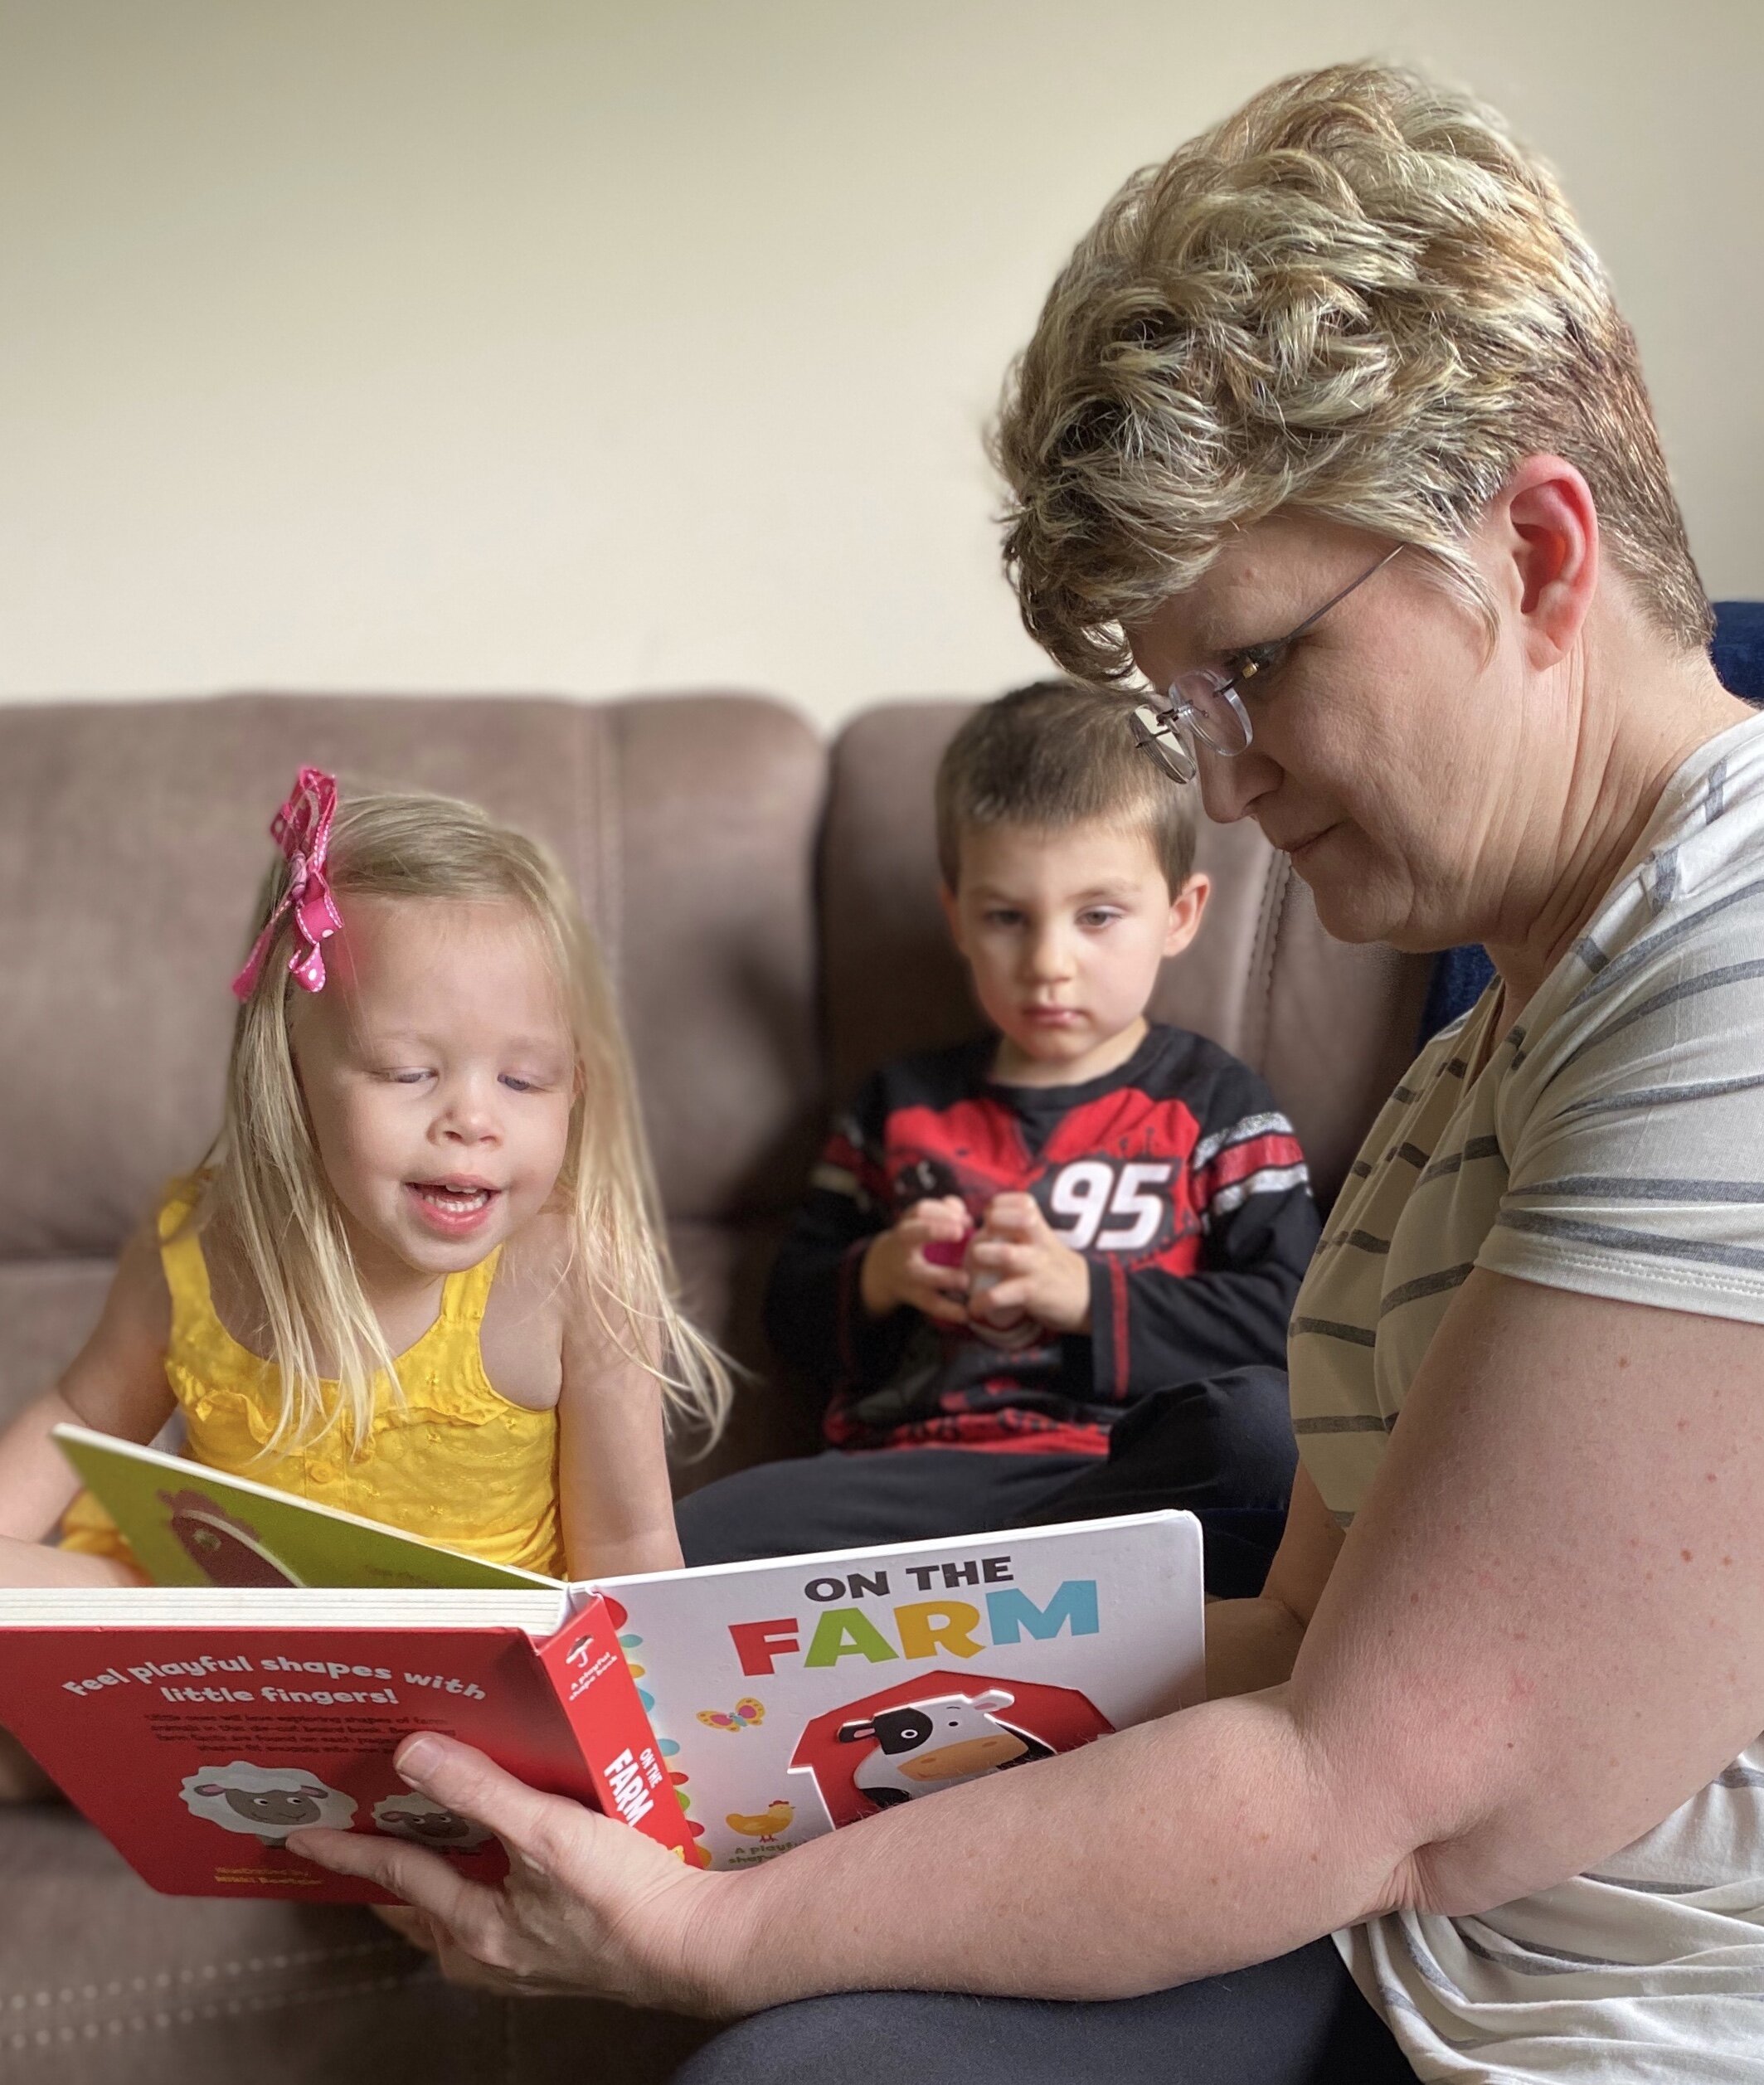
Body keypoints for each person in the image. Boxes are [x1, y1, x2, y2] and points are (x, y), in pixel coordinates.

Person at [293, 63, 1764, 2085]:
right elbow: (1278, 1643)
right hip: (1409, 1952)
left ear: (1526, 549)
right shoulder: (1467, 1069)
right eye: (1183, 705)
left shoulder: (1733, 968)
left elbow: (1378, 1783)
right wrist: (740, 1751)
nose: (1221, 785)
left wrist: (715, 1932)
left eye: (1251, 671)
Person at [0, 769, 727, 1606]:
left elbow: (626, 1549)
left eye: (524, 1080)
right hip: (230, 1639)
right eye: (408, 1071)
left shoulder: (576, 1275)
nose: (472, 1119)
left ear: (578, 1085)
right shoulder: (200, 1248)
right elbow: (81, 1416)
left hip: (472, 1691)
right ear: (290, 1072)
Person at [675, 683, 1316, 1583]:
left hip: (1118, 1473)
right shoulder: (901, 1103)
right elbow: (793, 1316)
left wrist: (1088, 1296)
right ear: (959, 918)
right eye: (1007, 918)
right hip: (915, 1483)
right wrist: (882, 1274)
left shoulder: (1217, 1106)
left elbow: (1297, 1320)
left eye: (1098, 916)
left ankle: (1002, 1577)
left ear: (1179, 915)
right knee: (692, 1539)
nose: (1049, 963)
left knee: (1265, 1430)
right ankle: (993, 1583)